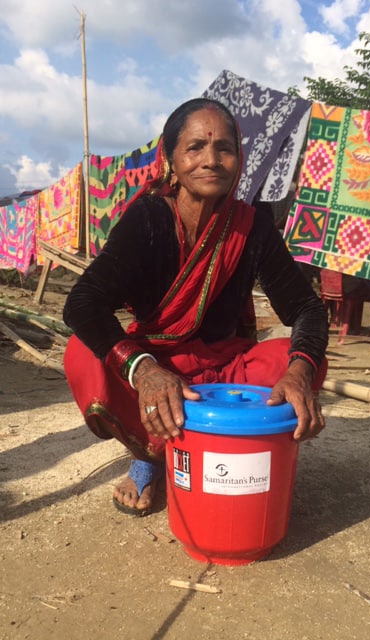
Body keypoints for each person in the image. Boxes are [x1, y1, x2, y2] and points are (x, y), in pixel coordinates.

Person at [63, 98, 329, 517]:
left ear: (239, 159)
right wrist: (146, 371)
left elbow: (306, 309)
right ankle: (149, 456)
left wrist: (299, 372)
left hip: (225, 367)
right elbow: (82, 303)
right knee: (84, 353)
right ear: (171, 160)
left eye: (224, 148)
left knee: (291, 358)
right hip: (160, 362)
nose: (211, 160)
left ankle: (229, 447)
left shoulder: (252, 223)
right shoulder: (147, 218)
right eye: (195, 148)